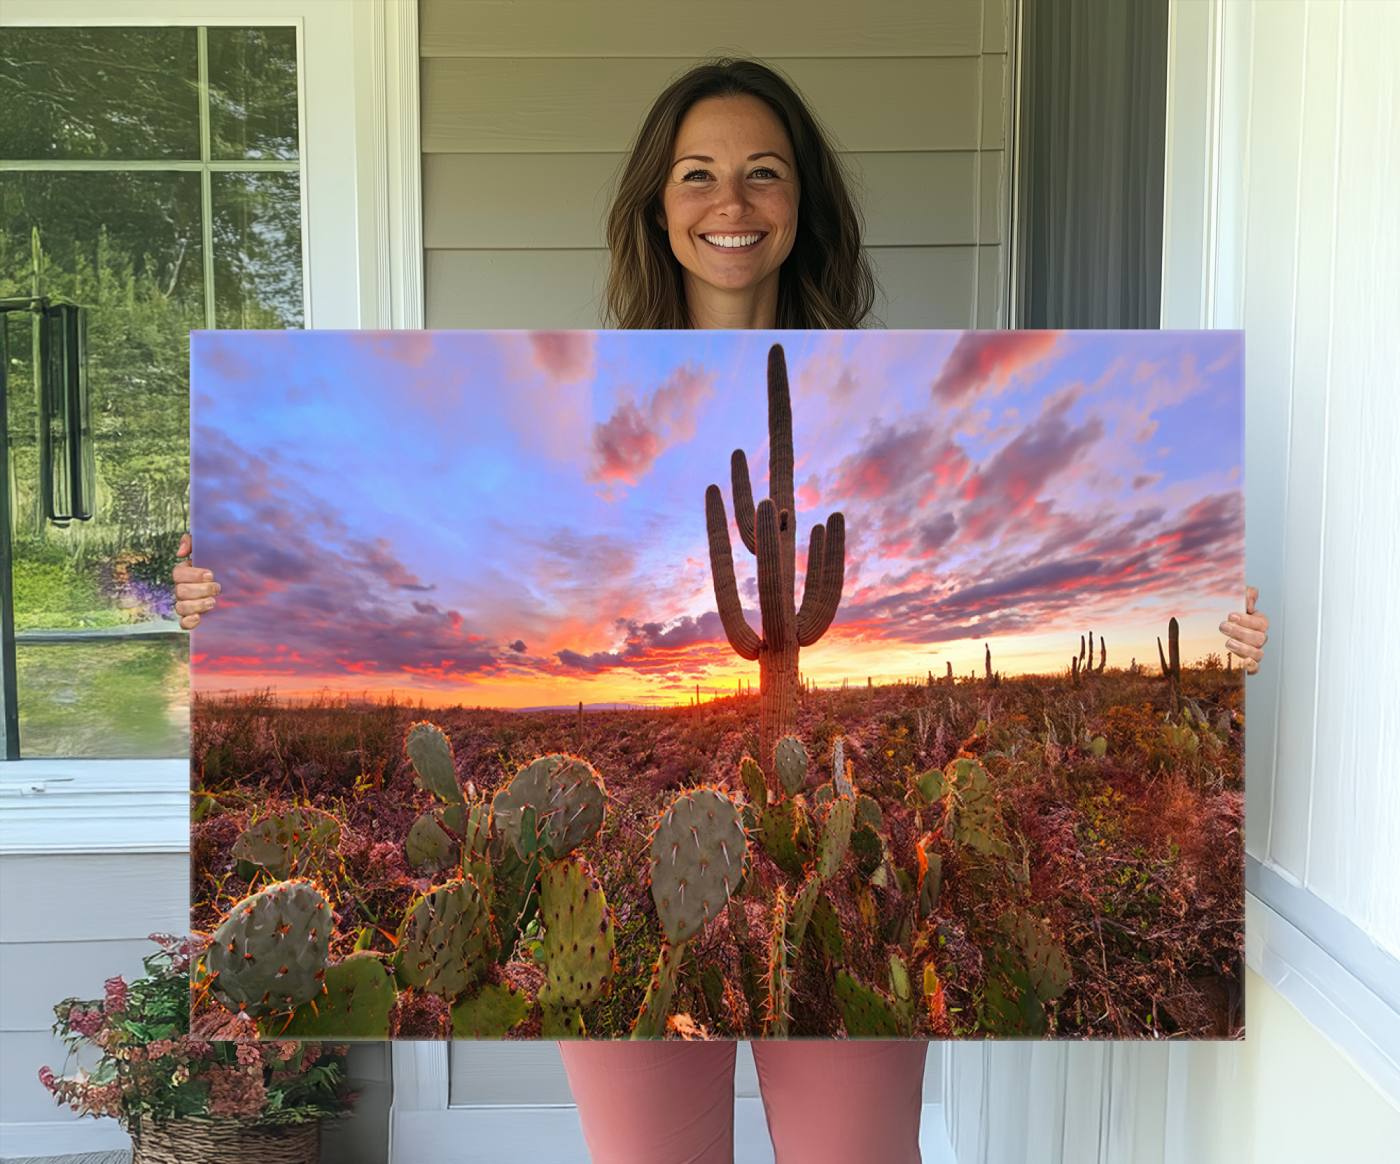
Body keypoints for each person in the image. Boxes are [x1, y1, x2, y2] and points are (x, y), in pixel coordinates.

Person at [172, 57, 1269, 1164]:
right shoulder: (576, 374)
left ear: (802, 204)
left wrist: (1227, 642)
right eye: (696, 174)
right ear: (657, 203)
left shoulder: (885, 370)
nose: (729, 204)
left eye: (763, 173)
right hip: (645, 903)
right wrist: (218, 595)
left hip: (825, 885)